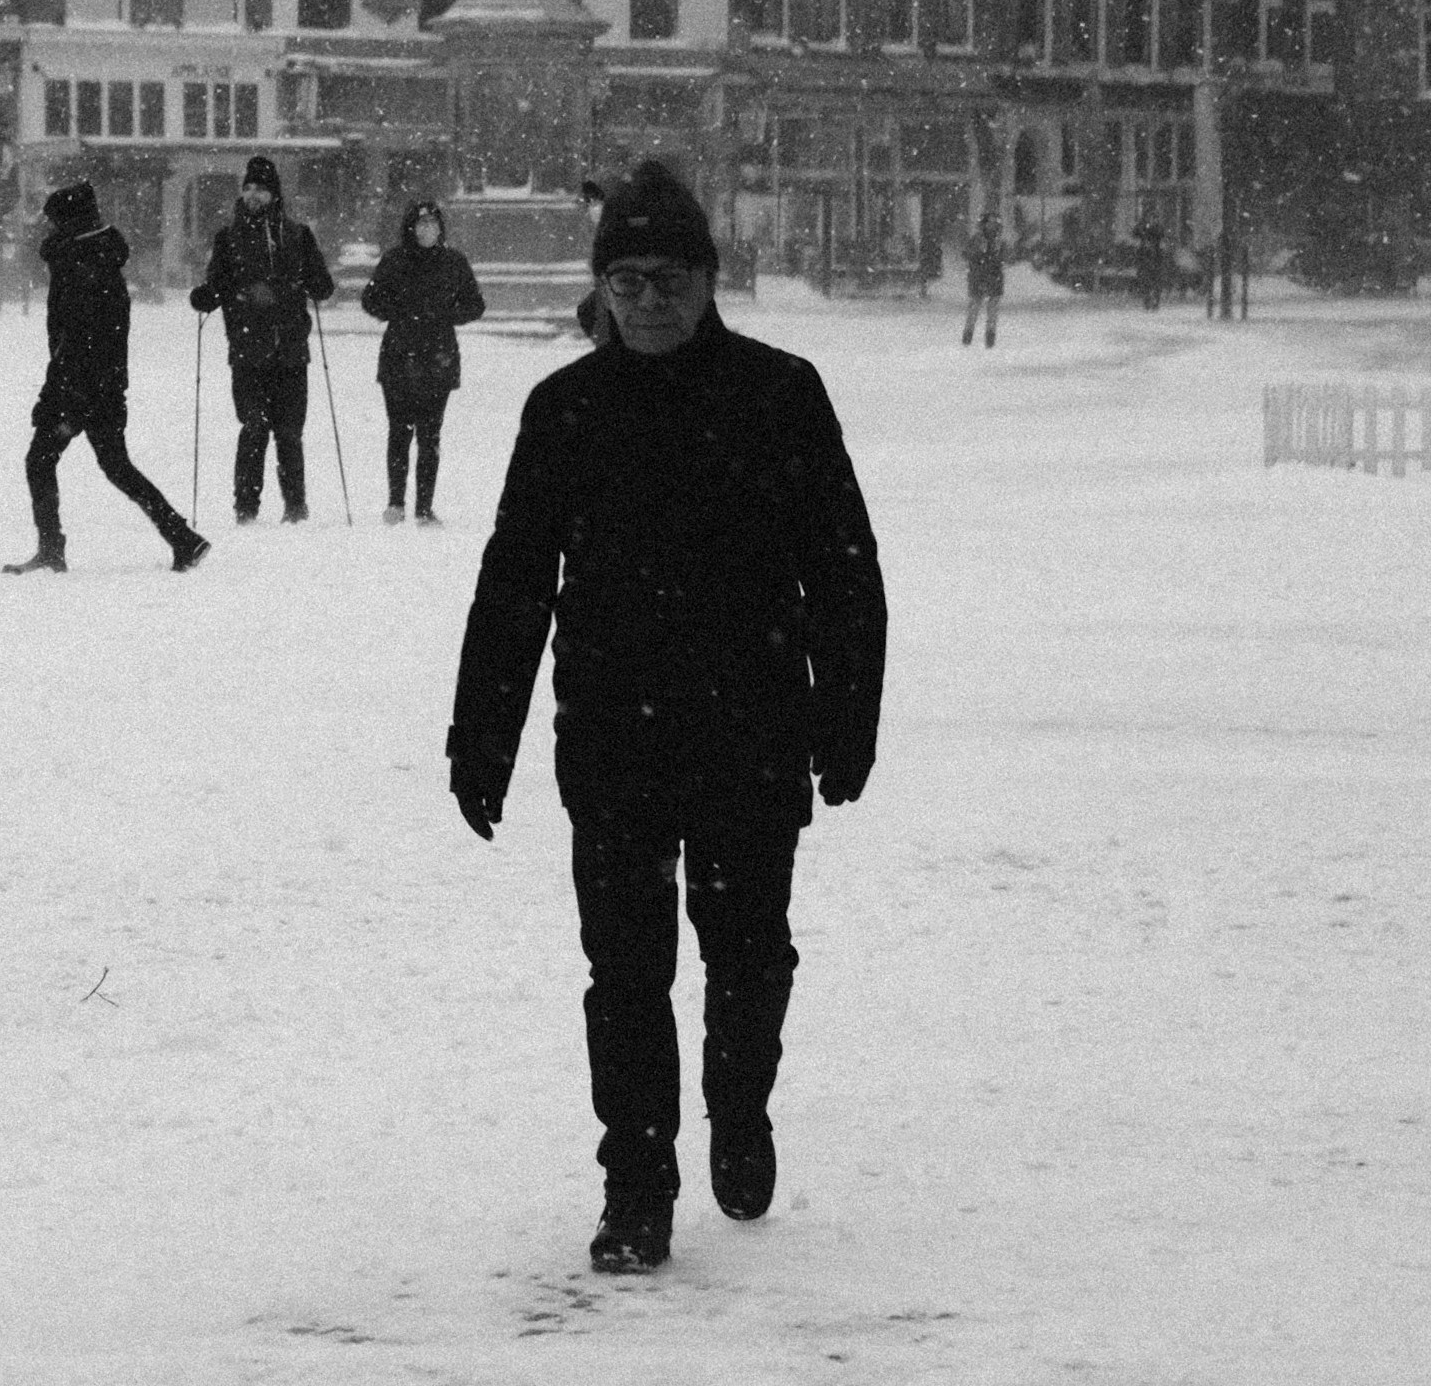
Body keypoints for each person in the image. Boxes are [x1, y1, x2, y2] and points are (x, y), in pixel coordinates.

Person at [448, 160, 888, 1276]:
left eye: (670, 278)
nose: (647, 300)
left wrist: (846, 719)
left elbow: (843, 569)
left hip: (748, 735)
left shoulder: (778, 394)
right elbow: (513, 581)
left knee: (747, 960)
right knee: (625, 975)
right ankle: (636, 1185)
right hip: (612, 741)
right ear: (599, 288)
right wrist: (479, 736)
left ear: (707, 282)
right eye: (626, 279)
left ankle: (737, 1105)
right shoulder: (564, 411)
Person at [9, 177, 206, 575]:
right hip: (105, 386)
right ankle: (182, 538)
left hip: (79, 390)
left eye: (52, 223)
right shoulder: (96, 261)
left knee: (39, 461)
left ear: (69, 224)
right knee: (117, 465)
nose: (46, 231)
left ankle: (51, 549)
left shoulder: (83, 269)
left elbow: (78, 344)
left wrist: (64, 402)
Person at [188, 155, 334, 521]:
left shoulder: (297, 235)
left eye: (261, 188)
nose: (254, 195)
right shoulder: (229, 238)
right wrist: (208, 296)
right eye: (249, 187)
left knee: (288, 433)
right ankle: (246, 507)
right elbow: (217, 285)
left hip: (290, 349)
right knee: (253, 428)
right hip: (247, 348)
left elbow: (322, 286)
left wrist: (296, 285)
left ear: (274, 194)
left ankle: (296, 506)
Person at [361, 199, 486, 524]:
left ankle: (425, 508)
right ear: (411, 228)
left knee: (430, 435)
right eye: (421, 223)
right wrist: (401, 310)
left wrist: (443, 314)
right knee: (399, 432)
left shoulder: (454, 262)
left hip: (438, 356)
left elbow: (474, 304)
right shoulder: (394, 260)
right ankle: (396, 503)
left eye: (433, 223)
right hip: (400, 355)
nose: (427, 229)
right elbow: (371, 300)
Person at [960, 213, 1005, 349]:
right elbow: (967, 254)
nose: (993, 226)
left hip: (993, 277)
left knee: (992, 310)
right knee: (974, 307)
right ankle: (968, 337)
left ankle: (989, 339)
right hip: (979, 277)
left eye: (995, 224)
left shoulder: (999, 241)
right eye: (990, 223)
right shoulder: (977, 239)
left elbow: (1004, 257)